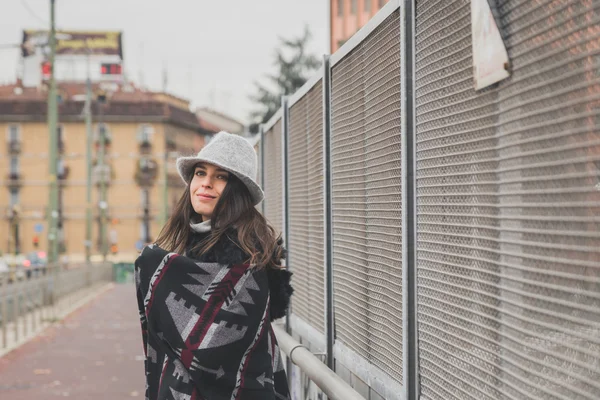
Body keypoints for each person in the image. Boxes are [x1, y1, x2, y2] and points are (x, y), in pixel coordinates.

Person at [134, 131, 293, 400]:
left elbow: (216, 350)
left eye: (221, 177)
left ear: (238, 191)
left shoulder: (249, 257)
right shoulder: (188, 249)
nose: (205, 184)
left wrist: (153, 266)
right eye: (200, 173)